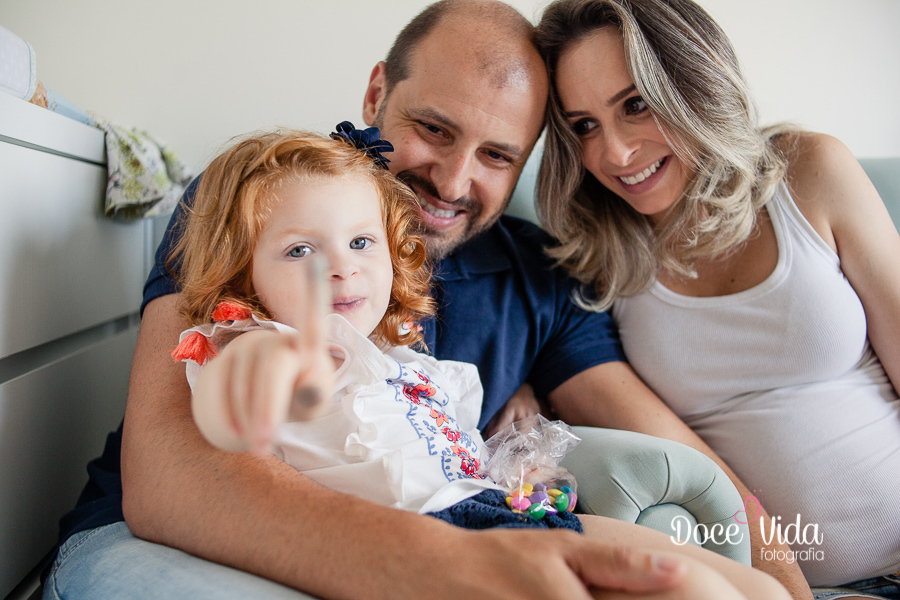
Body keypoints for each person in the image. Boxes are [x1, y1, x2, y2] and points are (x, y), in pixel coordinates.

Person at [44, 1, 804, 598]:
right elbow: (173, 479)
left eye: (498, 156)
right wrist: (435, 562)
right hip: (162, 541)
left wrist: (786, 576)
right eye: (432, 129)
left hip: (466, 525)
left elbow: (663, 438)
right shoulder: (264, 203)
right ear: (379, 92)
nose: (451, 180)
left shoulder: (537, 276)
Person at [169, 126, 787, 600]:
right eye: (300, 250)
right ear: (243, 273)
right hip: (419, 542)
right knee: (687, 590)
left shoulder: (401, 358)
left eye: (361, 242)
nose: (342, 266)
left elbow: (446, 445)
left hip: (497, 510)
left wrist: (515, 459)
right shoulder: (263, 340)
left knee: (755, 588)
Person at [534, 0, 900, 599]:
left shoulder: (809, 172)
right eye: (584, 125)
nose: (616, 154)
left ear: (694, 82)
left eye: (637, 104)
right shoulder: (593, 260)